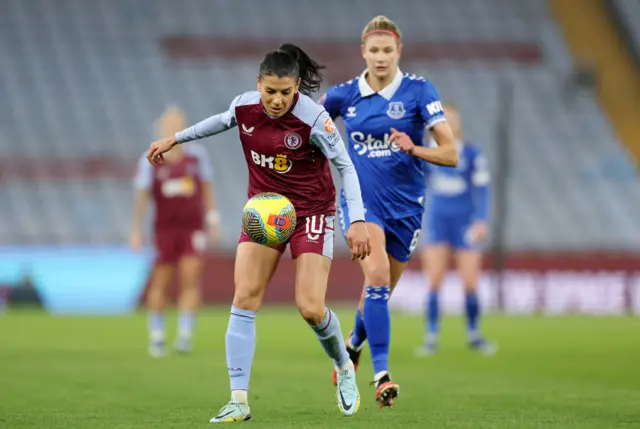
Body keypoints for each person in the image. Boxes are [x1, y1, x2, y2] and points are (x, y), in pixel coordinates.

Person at [146, 44, 371, 423]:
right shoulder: (244, 107)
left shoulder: (315, 119)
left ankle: (344, 366)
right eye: (270, 91)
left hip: (311, 213)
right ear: (258, 85)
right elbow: (219, 121)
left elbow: (346, 167)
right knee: (245, 296)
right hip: (265, 211)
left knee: (311, 308)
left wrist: (358, 220)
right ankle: (238, 399)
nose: (278, 99)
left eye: (286, 92)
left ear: (297, 86)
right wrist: (176, 139)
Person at [320, 15, 458, 408]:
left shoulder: (418, 91)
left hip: (407, 207)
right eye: (374, 50)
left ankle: (352, 344)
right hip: (361, 205)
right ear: (363, 52)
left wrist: (414, 148)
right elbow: (310, 130)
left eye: (387, 50)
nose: (381, 58)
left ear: (399, 51)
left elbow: (450, 153)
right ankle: (382, 376)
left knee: (377, 294)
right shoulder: (343, 95)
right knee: (377, 276)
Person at [131, 106, 221, 358]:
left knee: (191, 278)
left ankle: (184, 336)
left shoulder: (197, 156)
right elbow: (142, 196)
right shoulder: (150, 158)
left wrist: (213, 219)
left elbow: (207, 188)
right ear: (161, 128)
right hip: (165, 229)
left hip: (192, 228)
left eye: (177, 124)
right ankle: (157, 335)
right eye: (169, 125)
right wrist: (136, 229)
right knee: (161, 279)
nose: (173, 128)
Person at [416, 104, 496, 356]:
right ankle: (431, 336)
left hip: (465, 223)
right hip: (438, 223)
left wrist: (481, 220)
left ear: (459, 124)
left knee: (470, 282)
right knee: (434, 281)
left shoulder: (472, 154)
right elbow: (417, 181)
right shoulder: (431, 151)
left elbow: (483, 190)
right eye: (444, 119)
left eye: (452, 119)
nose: (448, 123)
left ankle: (474, 334)